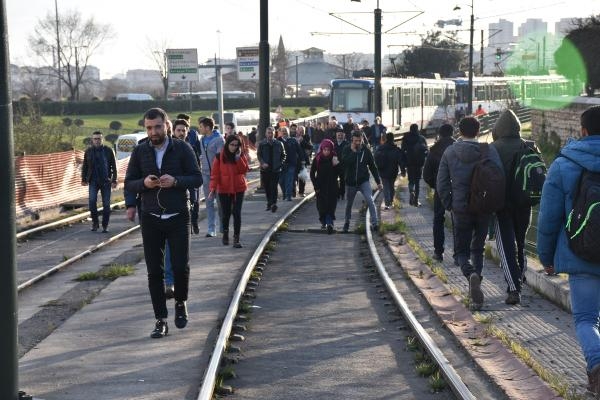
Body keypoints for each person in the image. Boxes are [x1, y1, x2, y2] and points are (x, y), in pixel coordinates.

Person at [537, 105, 600, 393]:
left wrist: (546, 258)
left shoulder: (564, 164)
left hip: (579, 255)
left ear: (583, 131)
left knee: (586, 318)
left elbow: (548, 219)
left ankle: (597, 365)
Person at [124, 107, 202, 339]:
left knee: (180, 266)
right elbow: (129, 183)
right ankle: (160, 319)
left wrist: (176, 181)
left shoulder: (182, 148)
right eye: (149, 128)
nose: (153, 132)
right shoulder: (140, 152)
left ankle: (180, 303)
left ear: (166, 125)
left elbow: (196, 178)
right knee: (154, 272)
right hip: (151, 217)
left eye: (157, 126)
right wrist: (144, 184)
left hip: (178, 215)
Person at [436, 116, 503, 311]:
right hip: (483, 208)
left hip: (460, 209)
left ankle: (470, 274)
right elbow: (499, 176)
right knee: (478, 248)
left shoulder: (450, 152)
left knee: (461, 252)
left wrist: (450, 204)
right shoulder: (488, 150)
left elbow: (441, 183)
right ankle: (476, 293)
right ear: (478, 130)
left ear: (459, 131)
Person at [490, 110, 531, 305]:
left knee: (506, 247)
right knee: (521, 243)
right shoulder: (529, 146)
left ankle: (514, 289)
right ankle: (520, 277)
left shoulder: (493, 148)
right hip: (524, 204)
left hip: (502, 205)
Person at [423, 123, 456, 262]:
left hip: (440, 190)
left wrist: (436, 185)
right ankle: (457, 255)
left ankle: (438, 252)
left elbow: (426, 174)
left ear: (440, 134)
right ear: (452, 133)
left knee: (438, 219)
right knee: (458, 221)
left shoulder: (434, 150)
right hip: (457, 189)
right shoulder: (458, 147)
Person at [209, 134, 249, 248]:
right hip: (224, 189)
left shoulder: (240, 155)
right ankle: (225, 233)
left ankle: (236, 238)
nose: (234, 147)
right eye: (232, 145)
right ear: (227, 144)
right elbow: (215, 174)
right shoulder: (219, 156)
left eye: (236, 145)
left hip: (238, 188)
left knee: (237, 213)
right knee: (226, 213)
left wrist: (238, 158)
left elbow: (244, 169)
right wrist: (212, 188)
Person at [341, 130, 383, 233]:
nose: (358, 143)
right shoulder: (347, 149)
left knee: (370, 200)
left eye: (360, 140)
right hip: (351, 182)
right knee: (349, 204)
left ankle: (375, 223)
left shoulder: (366, 150)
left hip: (363, 181)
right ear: (352, 140)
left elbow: (373, 166)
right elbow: (344, 163)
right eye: (356, 141)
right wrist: (353, 153)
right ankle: (347, 222)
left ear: (362, 139)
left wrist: (378, 181)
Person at [81, 131, 117, 233]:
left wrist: (114, 180)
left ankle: (105, 225)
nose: (97, 141)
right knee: (92, 202)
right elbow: (85, 166)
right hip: (93, 181)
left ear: (102, 139)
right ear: (92, 140)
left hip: (106, 181)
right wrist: (83, 179)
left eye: (99, 139)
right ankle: (95, 223)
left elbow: (114, 166)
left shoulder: (108, 150)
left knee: (106, 204)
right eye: (95, 139)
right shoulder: (88, 151)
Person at [198, 117, 224, 237]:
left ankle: (223, 227)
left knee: (220, 203)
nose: (200, 128)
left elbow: (220, 158)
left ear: (207, 127)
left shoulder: (219, 140)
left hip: (218, 176)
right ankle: (211, 229)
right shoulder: (202, 139)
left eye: (201, 126)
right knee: (209, 203)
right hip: (206, 174)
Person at [310, 139, 341, 233]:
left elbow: (340, 173)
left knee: (331, 207)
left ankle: (329, 223)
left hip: (332, 186)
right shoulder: (318, 158)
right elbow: (312, 173)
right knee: (321, 207)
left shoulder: (334, 158)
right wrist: (315, 185)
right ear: (322, 149)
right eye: (325, 150)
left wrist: (336, 165)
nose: (326, 152)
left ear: (331, 150)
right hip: (320, 187)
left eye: (328, 150)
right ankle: (324, 222)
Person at [257, 126, 286, 212]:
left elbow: (283, 155)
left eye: (271, 133)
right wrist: (262, 163)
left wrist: (280, 164)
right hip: (265, 170)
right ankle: (269, 203)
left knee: (274, 187)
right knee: (267, 187)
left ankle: (274, 203)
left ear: (274, 134)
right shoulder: (262, 144)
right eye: (268, 133)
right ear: (266, 134)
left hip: (275, 169)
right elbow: (259, 155)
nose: (270, 135)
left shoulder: (279, 143)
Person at [401, 123, 428, 207]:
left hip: (409, 163)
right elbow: (426, 151)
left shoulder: (405, 138)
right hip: (419, 164)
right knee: (417, 182)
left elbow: (402, 151)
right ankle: (416, 200)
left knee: (411, 180)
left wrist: (403, 164)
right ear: (417, 129)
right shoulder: (421, 138)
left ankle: (411, 191)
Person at [375, 132, 404, 210]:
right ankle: (390, 201)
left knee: (386, 186)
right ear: (393, 139)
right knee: (391, 186)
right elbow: (401, 161)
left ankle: (387, 203)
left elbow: (375, 158)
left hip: (383, 170)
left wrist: (378, 167)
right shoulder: (396, 149)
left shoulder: (380, 148)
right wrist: (403, 171)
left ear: (386, 139)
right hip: (393, 171)